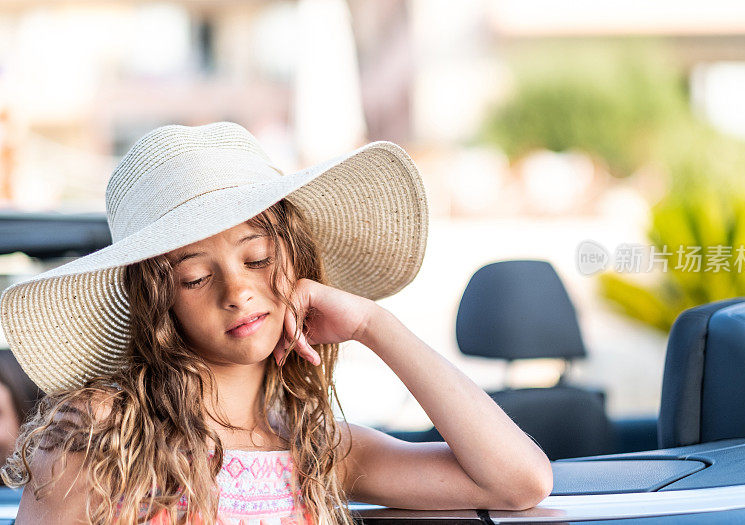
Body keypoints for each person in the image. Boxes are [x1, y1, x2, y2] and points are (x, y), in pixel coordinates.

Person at [0, 122, 552, 525]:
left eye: (258, 259)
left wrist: (371, 323)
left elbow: (519, 481)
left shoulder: (319, 451)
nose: (237, 291)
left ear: (294, 260)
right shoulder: (103, 432)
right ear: (156, 301)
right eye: (193, 277)